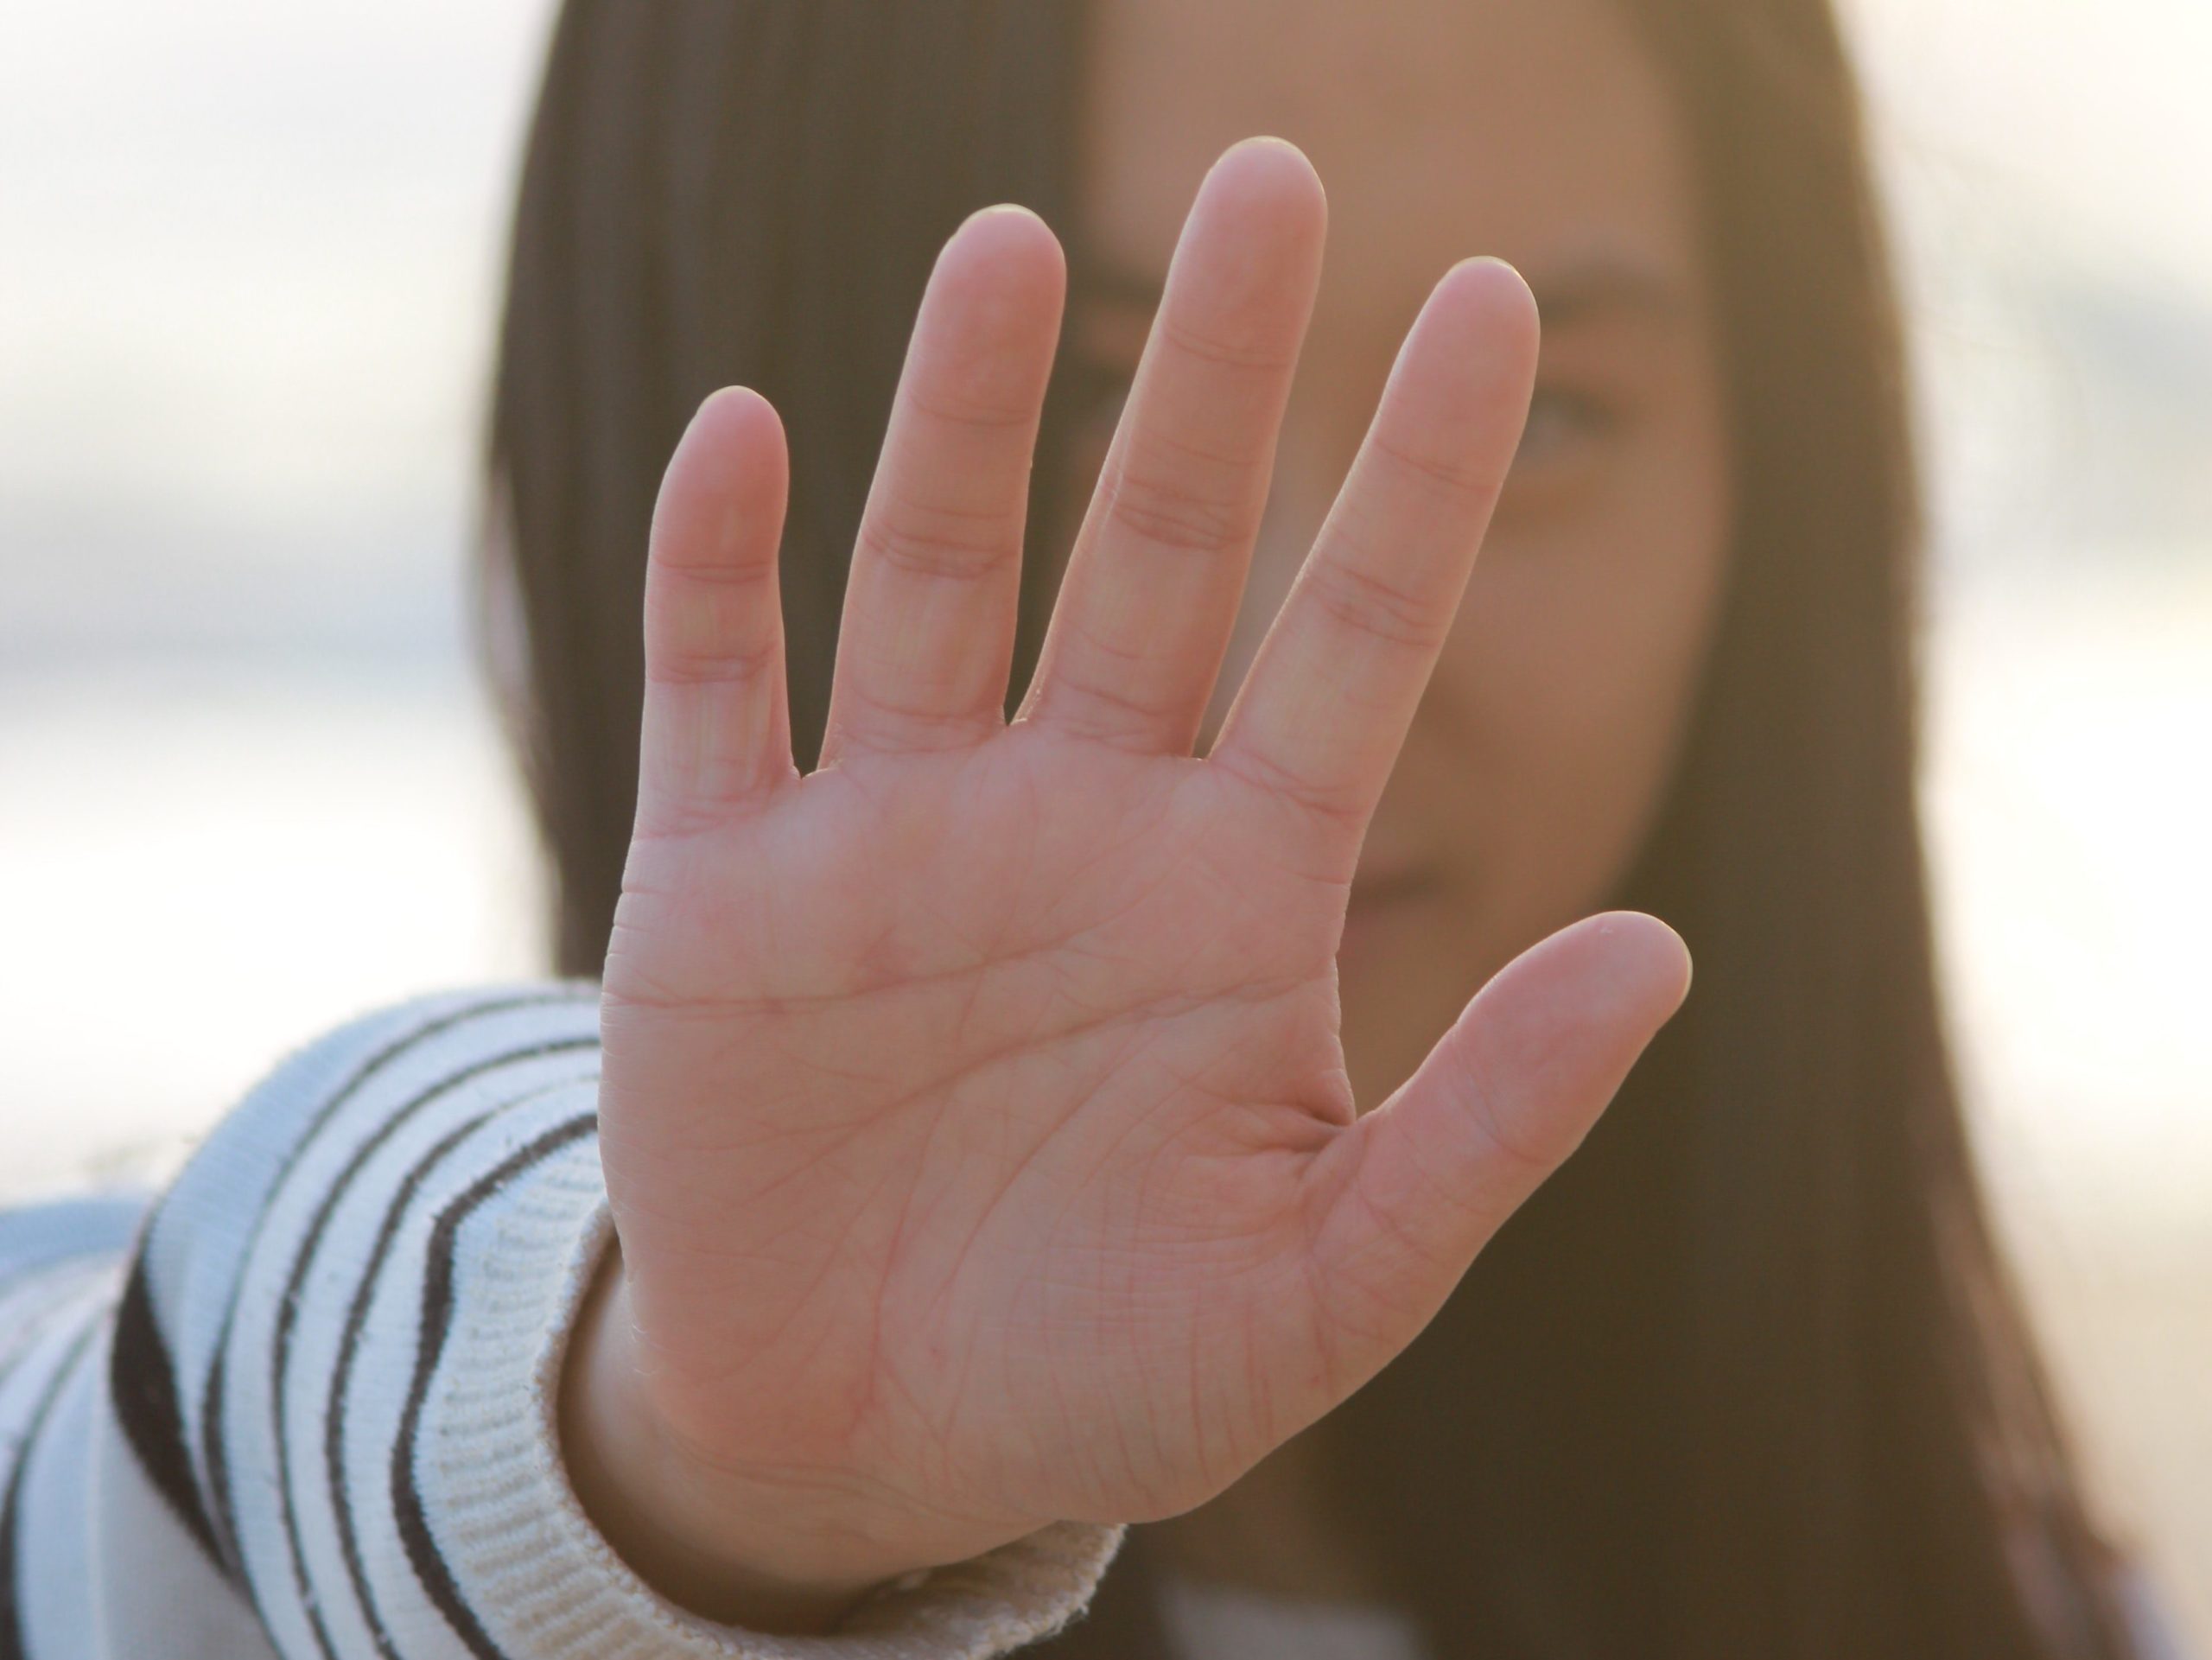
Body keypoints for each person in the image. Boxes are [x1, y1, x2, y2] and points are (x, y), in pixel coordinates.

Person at [0, 1, 2189, 1657]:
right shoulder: (181, 1499)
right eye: (1092, 406)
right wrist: (665, 1453)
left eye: (1542, 421)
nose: (1334, 641)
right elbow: (169, 1393)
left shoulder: (2021, 1607)